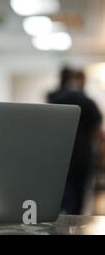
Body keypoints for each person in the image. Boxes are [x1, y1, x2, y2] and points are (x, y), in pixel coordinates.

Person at [51, 69, 102, 214]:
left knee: (61, 192)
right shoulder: (89, 102)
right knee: (79, 194)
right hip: (83, 153)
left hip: (61, 153)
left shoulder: (58, 100)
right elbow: (96, 130)